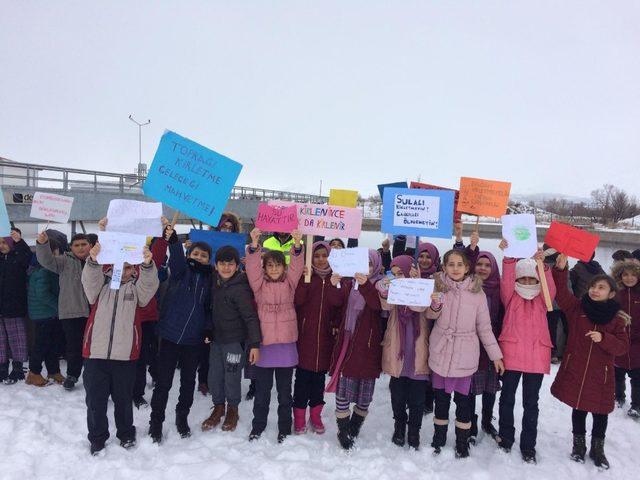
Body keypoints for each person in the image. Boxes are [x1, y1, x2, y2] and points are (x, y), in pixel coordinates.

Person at [551, 253, 629, 470]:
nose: (595, 290)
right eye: (593, 287)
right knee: (579, 409)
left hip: (601, 375)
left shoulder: (617, 319)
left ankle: (598, 448)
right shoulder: (578, 309)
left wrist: (604, 338)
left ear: (611, 293)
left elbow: (622, 347)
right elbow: (563, 295)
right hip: (577, 369)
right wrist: (560, 270)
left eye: (601, 287)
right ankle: (578, 445)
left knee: (600, 413)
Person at [81, 241, 159, 455]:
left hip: (125, 356)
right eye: (120, 266)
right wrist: (93, 261)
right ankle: (97, 437)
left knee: (123, 399)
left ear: (133, 269)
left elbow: (149, 287)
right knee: (95, 401)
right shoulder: (100, 288)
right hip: (95, 354)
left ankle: (125, 433)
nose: (124, 271)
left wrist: (147, 265)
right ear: (111, 267)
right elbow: (89, 280)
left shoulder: (136, 290)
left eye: (128, 267)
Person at [427, 249, 504, 458]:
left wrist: (495, 355)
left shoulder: (477, 293)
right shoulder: (437, 286)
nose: (455, 268)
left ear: (467, 268)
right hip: (441, 351)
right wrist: (434, 304)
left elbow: (484, 328)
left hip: (465, 354)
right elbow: (429, 314)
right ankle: (438, 439)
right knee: (441, 401)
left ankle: (462, 443)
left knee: (463, 403)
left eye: (459, 264)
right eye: (451, 264)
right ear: (444, 267)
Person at [149, 225, 212, 443]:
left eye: (204, 255)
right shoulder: (180, 272)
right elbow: (176, 260)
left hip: (193, 340)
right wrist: (174, 241)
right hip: (169, 336)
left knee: (188, 382)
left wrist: (208, 329)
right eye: (195, 253)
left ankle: (181, 417)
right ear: (188, 254)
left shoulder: (209, 280)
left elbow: (210, 308)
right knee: (163, 383)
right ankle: (155, 422)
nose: (200, 257)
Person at [495, 242, 556, 464]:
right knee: (507, 399)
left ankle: (528, 445)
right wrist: (509, 258)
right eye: (523, 279)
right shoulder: (511, 298)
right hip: (511, 355)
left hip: (536, 357)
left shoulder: (543, 300)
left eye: (532, 279)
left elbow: (550, 288)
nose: (528, 282)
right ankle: (506, 437)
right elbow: (507, 280)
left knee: (531, 402)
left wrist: (543, 266)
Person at [246, 227, 304, 442]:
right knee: (262, 392)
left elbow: (297, 267)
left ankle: (284, 427)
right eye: (269, 265)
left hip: (286, 346)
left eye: (277, 265)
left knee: (284, 393)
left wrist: (297, 246)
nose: (273, 269)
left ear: (283, 267)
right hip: (265, 345)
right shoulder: (258, 285)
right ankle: (258, 426)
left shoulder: (290, 283)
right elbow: (252, 268)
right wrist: (254, 245)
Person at [326, 249, 384, 450]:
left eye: (369, 264)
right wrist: (333, 286)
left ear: (375, 266)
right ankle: (343, 429)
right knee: (343, 388)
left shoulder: (380, 285)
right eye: (361, 263)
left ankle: (355, 425)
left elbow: (378, 306)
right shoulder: (350, 284)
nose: (364, 268)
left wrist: (367, 286)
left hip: (368, 345)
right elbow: (336, 302)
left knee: (365, 393)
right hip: (347, 341)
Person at [200, 246, 261, 433]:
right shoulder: (213, 283)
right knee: (215, 375)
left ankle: (232, 409)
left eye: (230, 264)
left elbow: (250, 317)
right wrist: (208, 330)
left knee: (232, 376)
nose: (226, 267)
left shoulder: (241, 287)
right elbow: (209, 310)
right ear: (216, 265)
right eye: (222, 263)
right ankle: (218, 407)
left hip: (234, 342)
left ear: (236, 266)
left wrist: (254, 344)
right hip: (217, 341)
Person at [379, 255, 429, 450]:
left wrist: (416, 284)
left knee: (417, 399)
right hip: (397, 352)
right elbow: (385, 303)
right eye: (395, 274)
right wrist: (387, 283)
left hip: (417, 351)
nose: (399, 277)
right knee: (398, 396)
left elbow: (424, 307)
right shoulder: (393, 292)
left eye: (402, 273)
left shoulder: (423, 286)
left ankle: (414, 431)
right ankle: (399, 426)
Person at [292, 241, 339, 435]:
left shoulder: (335, 278)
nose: (320, 260)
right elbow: (298, 301)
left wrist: (336, 285)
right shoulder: (305, 276)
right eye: (316, 256)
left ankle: (316, 415)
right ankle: (300, 417)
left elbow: (338, 305)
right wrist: (304, 279)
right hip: (305, 338)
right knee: (302, 381)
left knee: (318, 382)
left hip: (325, 340)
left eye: (324, 255)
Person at [36, 230, 91, 390]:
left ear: (90, 246)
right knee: (73, 347)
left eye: (84, 244)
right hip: (71, 312)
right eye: (77, 245)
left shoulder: (98, 261)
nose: (80, 248)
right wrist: (42, 243)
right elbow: (45, 260)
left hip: (94, 313)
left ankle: (91, 376)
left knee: (93, 347)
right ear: (71, 247)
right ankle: (73, 375)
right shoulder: (64, 261)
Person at [468, 250, 503, 444]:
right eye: (479, 264)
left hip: (493, 344)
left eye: (487, 265)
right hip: (472, 345)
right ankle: (471, 424)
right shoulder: (469, 287)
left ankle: (487, 420)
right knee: (472, 387)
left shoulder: (501, 289)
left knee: (490, 387)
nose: (482, 268)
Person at [26, 234, 65, 386]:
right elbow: (42, 294)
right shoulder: (43, 270)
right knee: (41, 345)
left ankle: (53, 370)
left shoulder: (47, 269)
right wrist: (59, 307)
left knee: (52, 344)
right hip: (43, 314)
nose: (58, 255)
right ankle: (34, 372)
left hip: (49, 314)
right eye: (56, 252)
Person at [0, 229, 32, 384]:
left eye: (5, 242)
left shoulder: (19, 257)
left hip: (14, 305)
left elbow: (27, 257)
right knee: (1, 339)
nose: (2, 245)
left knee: (16, 338)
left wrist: (19, 242)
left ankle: (18, 367)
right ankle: (2, 367)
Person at [610, 259, 640, 418]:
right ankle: (619, 397)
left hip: (637, 343)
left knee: (637, 377)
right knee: (618, 373)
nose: (629, 278)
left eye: (633, 275)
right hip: (619, 341)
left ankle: (636, 404)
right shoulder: (615, 294)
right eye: (625, 275)